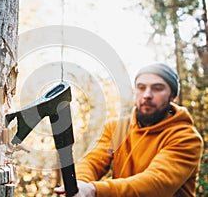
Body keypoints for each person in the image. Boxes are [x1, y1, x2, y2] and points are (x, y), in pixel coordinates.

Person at [54, 63, 203, 196]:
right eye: (141, 87)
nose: (147, 95)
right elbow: (93, 161)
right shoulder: (117, 128)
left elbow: (155, 185)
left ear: (173, 96)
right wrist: (79, 185)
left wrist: (93, 190)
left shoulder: (186, 138)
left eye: (157, 89)